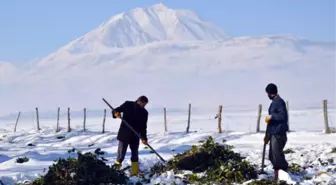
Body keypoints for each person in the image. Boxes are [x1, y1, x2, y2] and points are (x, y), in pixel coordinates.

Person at [111, 95, 149, 176]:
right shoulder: (128, 105)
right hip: (124, 134)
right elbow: (115, 110)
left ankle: (134, 172)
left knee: (135, 155)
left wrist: (144, 138)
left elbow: (143, 127)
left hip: (135, 136)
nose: (144, 106)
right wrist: (116, 114)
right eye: (143, 104)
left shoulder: (144, 113)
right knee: (121, 155)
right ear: (139, 101)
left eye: (145, 104)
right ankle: (115, 171)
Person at [264, 83, 289, 181]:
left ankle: (283, 174)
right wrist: (267, 135)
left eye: (267, 93)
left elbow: (283, 116)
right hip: (273, 132)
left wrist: (272, 116)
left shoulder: (279, 102)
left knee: (277, 154)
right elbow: (271, 123)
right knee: (272, 155)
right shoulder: (274, 102)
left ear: (270, 93)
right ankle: (277, 175)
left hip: (279, 133)